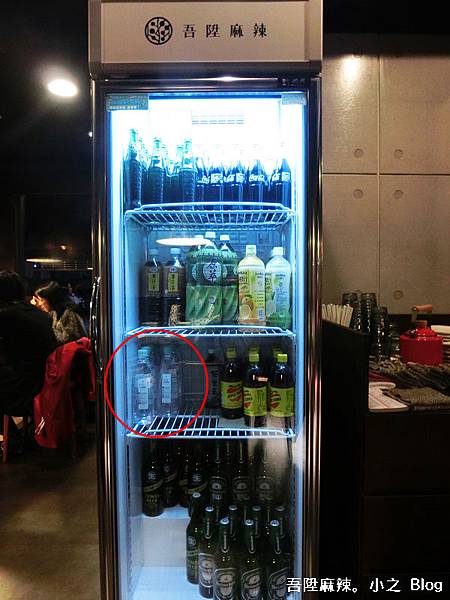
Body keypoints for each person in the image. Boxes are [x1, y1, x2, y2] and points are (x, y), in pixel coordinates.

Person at [0, 270, 57, 422]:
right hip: (44, 383)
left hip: (23, 390)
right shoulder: (39, 314)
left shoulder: (8, 315)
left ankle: (12, 434)